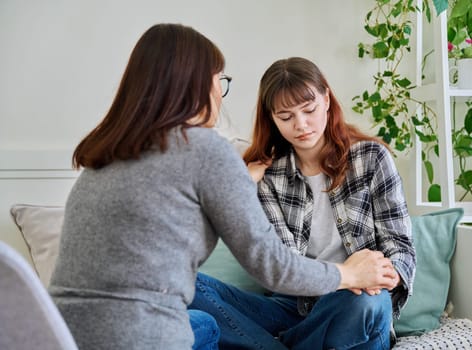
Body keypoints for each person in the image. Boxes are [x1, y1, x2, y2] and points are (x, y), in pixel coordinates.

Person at [48, 25, 400, 350]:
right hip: (145, 335)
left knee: (201, 320)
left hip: (62, 333)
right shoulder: (204, 149)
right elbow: (274, 267)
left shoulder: (100, 159)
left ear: (326, 99)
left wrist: (372, 277)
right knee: (200, 313)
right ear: (195, 83)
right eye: (220, 79)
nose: (221, 90)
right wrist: (349, 272)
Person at [190, 57, 416, 349]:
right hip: (292, 308)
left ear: (326, 99)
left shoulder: (372, 158)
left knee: (369, 304)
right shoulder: (270, 175)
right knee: (186, 283)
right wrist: (245, 184)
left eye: (309, 110)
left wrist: (378, 277)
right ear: (271, 118)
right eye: (285, 117)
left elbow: (400, 248)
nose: (301, 125)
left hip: (352, 303)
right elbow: (285, 269)